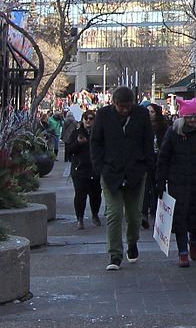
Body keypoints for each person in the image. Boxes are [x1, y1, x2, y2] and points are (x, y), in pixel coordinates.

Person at [90, 86, 155, 271]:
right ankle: (115, 254)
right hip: (111, 172)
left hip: (135, 172)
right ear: (114, 104)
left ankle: (132, 242)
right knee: (114, 213)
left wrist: (148, 169)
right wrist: (99, 167)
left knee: (135, 216)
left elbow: (148, 143)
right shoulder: (103, 116)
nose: (125, 110)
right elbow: (96, 142)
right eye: (121, 107)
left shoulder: (141, 115)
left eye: (128, 106)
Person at [155, 97, 196, 267]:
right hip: (178, 181)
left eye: (194, 117)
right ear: (182, 118)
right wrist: (160, 181)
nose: (191, 120)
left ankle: (193, 240)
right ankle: (182, 251)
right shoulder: (173, 133)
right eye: (188, 117)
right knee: (180, 217)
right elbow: (164, 158)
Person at [65, 109, 101, 229]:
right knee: (80, 195)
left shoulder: (98, 133)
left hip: (95, 169)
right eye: (86, 118)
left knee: (95, 195)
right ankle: (79, 218)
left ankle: (95, 214)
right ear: (83, 120)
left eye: (91, 118)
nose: (88, 121)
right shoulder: (77, 133)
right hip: (79, 169)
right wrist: (78, 143)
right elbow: (69, 150)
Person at [142, 102, 169, 229]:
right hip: (146, 161)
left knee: (156, 188)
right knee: (145, 187)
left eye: (152, 112)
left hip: (159, 161)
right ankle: (144, 214)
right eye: (147, 112)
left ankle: (154, 213)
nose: (149, 115)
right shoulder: (142, 127)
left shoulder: (164, 128)